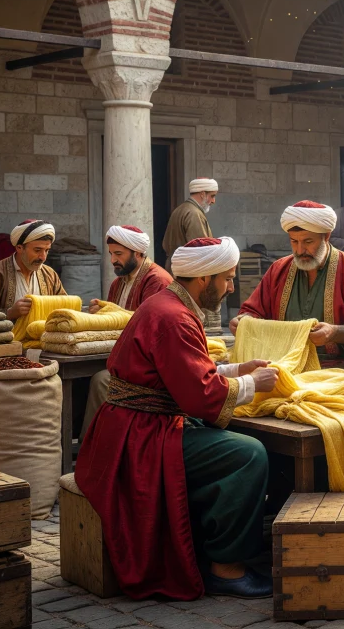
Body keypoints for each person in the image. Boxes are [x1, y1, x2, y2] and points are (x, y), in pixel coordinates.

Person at [76, 237, 279, 600]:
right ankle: (226, 569)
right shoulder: (174, 317)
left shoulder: (167, 304)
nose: (231, 287)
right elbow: (201, 396)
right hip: (140, 437)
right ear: (204, 279)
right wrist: (253, 383)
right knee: (248, 454)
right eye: (228, 279)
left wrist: (235, 368)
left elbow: (180, 369)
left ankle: (205, 542)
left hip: (134, 425)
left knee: (224, 443)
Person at [232, 201, 344, 368]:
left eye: (307, 242)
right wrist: (244, 321)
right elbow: (254, 310)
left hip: (337, 368)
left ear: (326, 236)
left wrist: (334, 333)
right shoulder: (279, 269)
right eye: (294, 242)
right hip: (283, 364)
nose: (300, 250)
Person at [81, 224, 175, 435]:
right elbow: (116, 321)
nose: (113, 260)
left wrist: (110, 312)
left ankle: (94, 443)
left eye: (119, 254)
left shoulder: (157, 280)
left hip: (147, 365)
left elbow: (148, 327)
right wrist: (101, 313)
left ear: (138, 252)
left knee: (99, 380)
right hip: (122, 355)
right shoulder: (118, 283)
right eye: (111, 254)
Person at [0, 219, 65, 315]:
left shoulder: (50, 275)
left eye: (47, 250)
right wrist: (9, 313)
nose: (43, 257)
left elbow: (64, 306)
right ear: (19, 248)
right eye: (37, 250)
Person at [162, 178, 217, 270]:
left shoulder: (179, 209)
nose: (213, 201)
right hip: (187, 273)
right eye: (212, 196)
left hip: (176, 269)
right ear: (203, 194)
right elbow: (201, 250)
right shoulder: (194, 214)